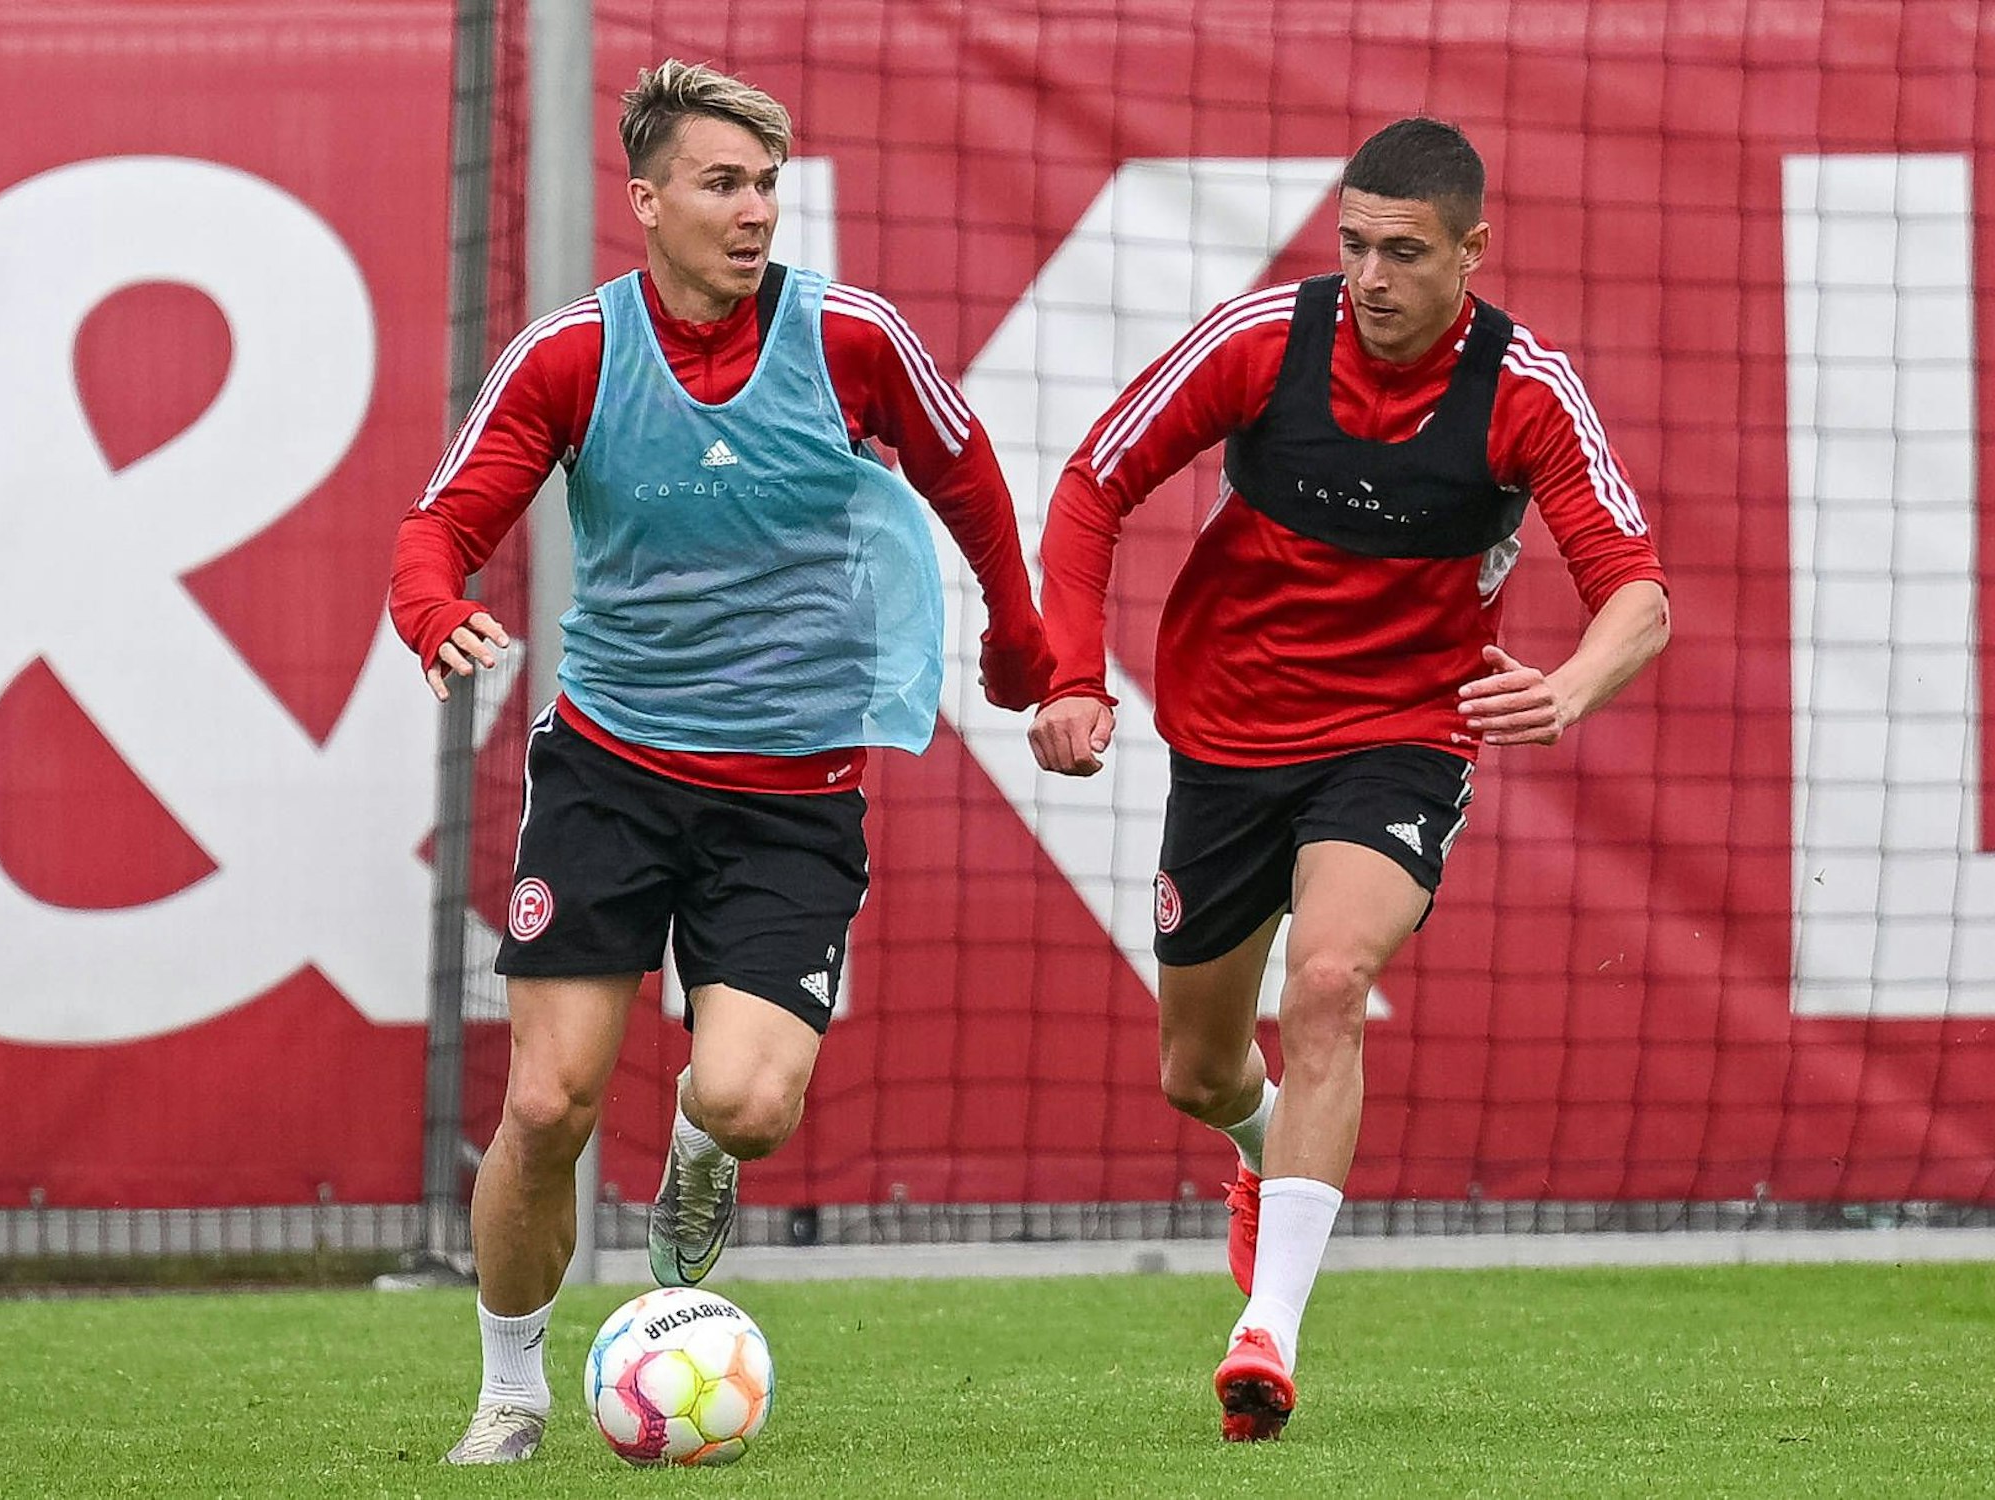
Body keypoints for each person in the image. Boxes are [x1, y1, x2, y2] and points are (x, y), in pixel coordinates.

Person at [390, 60, 1054, 1464]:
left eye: (766, 185)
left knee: (749, 1102)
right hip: (612, 773)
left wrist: (1023, 638)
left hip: (793, 796)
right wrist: (435, 610)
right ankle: (511, 1389)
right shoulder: (574, 353)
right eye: (722, 183)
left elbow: (969, 474)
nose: (754, 211)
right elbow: (438, 524)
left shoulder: (851, 337)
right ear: (645, 201)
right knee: (547, 1102)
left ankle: (697, 1154)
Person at [1028, 117, 1669, 1442]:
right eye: (1355, 244)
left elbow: (1639, 597)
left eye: (1406, 252)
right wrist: (1075, 675)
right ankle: (1263, 1152)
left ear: (1470, 254)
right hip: (1226, 733)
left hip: (1402, 736)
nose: (1373, 276)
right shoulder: (1264, 339)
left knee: (1328, 980)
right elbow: (1095, 481)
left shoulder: (1528, 391)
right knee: (1199, 1075)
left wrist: (1565, 690)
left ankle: (1270, 1332)